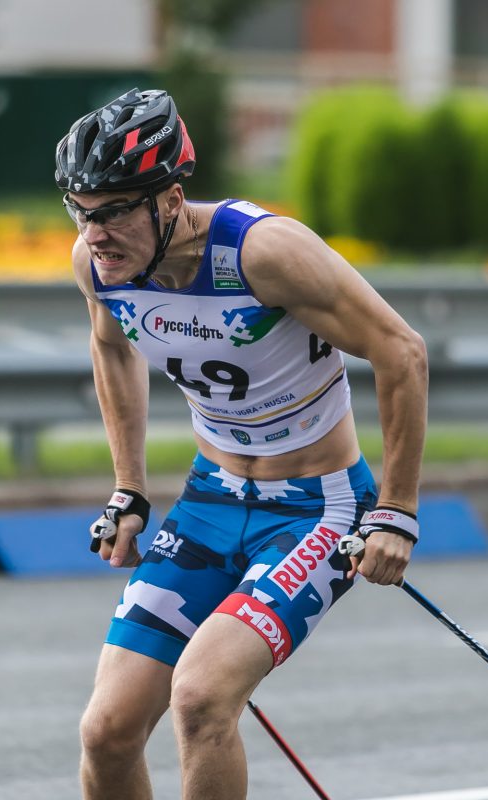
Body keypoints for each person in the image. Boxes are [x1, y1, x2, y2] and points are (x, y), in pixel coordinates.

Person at [55, 88, 429, 800]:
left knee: (200, 698)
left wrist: (397, 511)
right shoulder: (100, 266)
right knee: (106, 731)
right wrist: (129, 489)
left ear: (170, 199)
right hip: (210, 501)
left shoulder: (263, 252)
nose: (94, 234)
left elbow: (401, 351)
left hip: (318, 511)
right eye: (81, 211)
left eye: (113, 211)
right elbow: (112, 348)